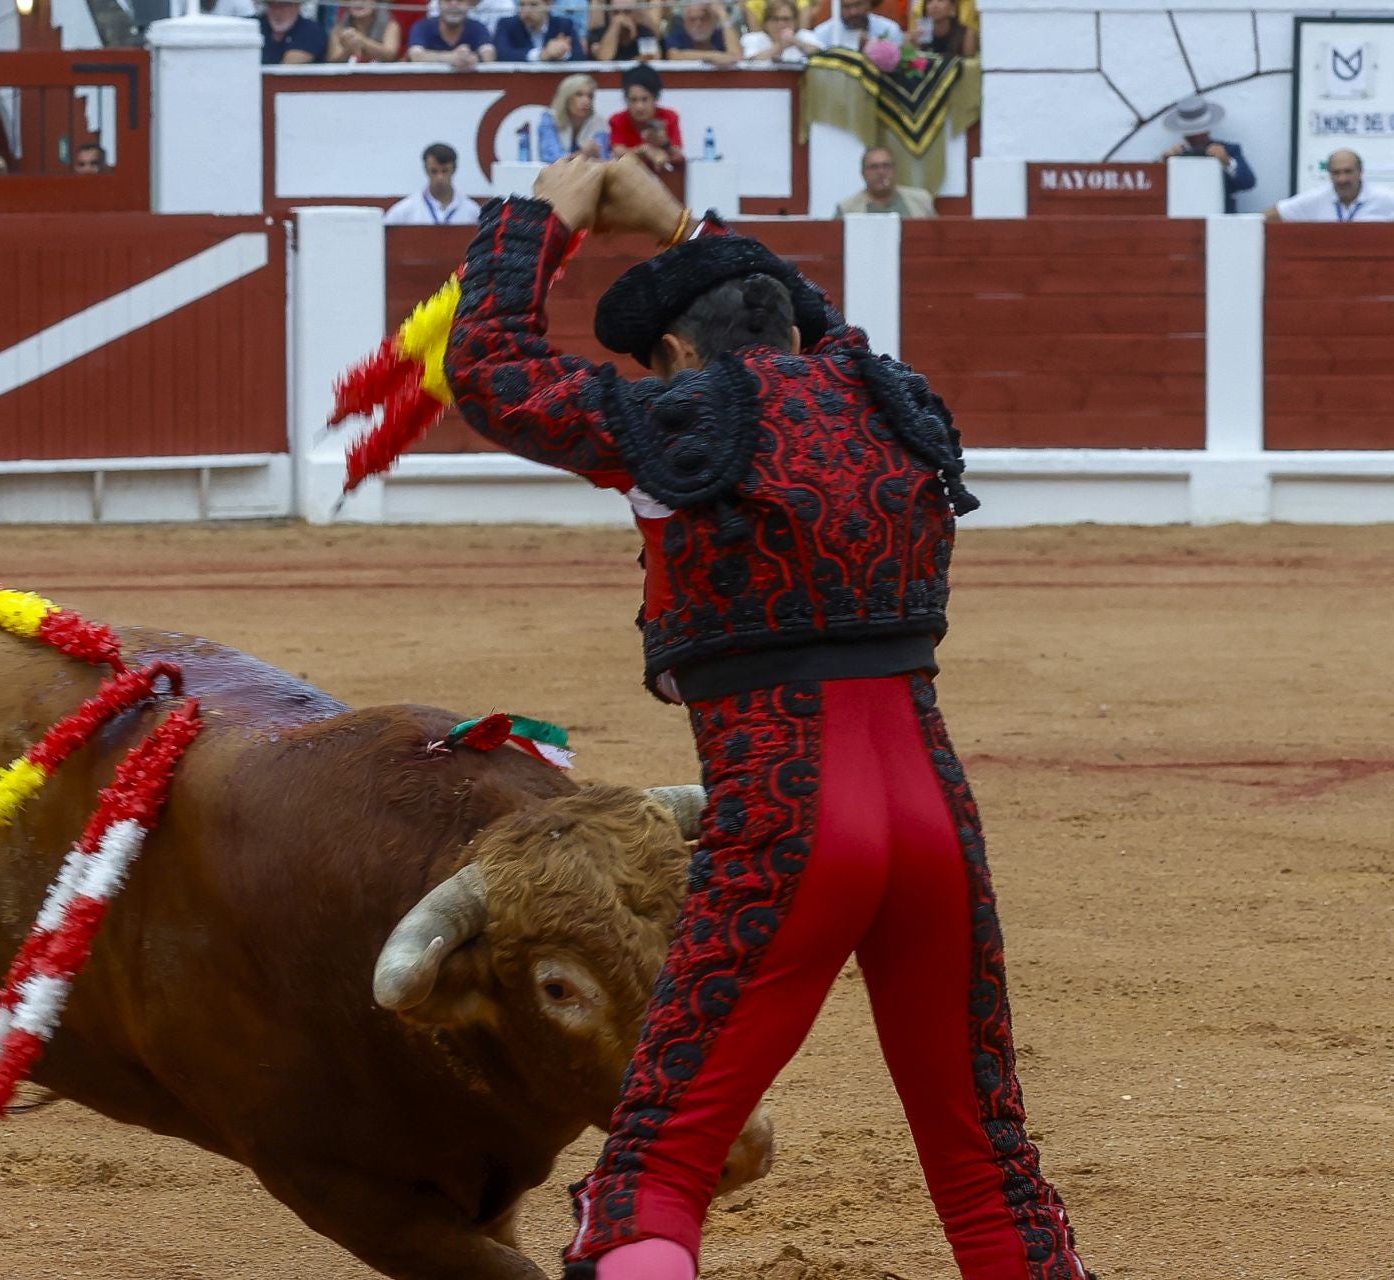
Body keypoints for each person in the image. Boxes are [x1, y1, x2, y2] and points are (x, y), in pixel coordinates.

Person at [436, 151, 1093, 1280]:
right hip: (937, 819)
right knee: (991, 1168)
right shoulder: (892, 401)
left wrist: (538, 219)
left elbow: (488, 366)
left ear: (678, 358)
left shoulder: (681, 423)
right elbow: (813, 325)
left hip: (789, 819)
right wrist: (686, 226)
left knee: (658, 1167)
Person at [1157, 96, 1254, 214]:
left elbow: (1248, 183)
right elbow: (1154, 190)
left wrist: (1227, 162)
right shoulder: (1175, 155)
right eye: (1192, 134)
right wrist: (1162, 165)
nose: (1197, 137)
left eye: (1200, 132)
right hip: (1182, 219)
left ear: (1208, 130)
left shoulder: (1229, 150)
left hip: (1221, 220)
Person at [1265, 148, 1394, 222]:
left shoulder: (1386, 198)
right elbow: (1270, 216)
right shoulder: (1315, 199)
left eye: (1348, 172)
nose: (1342, 179)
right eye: (1336, 173)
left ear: (1360, 172)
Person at [383, 142, 483, 225]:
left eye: (445, 171)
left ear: (454, 170)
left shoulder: (472, 212)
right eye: (434, 171)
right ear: (426, 170)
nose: (439, 177)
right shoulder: (403, 212)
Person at [609, 64, 684, 174]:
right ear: (626, 100)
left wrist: (665, 143)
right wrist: (644, 151)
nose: (639, 107)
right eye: (633, 100)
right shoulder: (618, 120)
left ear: (655, 98)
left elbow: (678, 154)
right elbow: (618, 153)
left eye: (645, 99)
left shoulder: (669, 117)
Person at [836, 146, 938, 217]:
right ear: (863, 173)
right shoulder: (847, 209)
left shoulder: (921, 200)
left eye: (886, 166)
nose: (881, 172)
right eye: (873, 167)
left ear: (894, 170)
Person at [539, 73, 611, 162]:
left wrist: (596, 154)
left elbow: (603, 157)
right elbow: (551, 156)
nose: (586, 101)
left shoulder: (598, 121)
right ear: (566, 97)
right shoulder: (550, 118)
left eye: (590, 96)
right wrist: (583, 155)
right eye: (579, 95)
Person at [408, 0, 498, 66]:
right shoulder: (423, 26)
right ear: (439, 4)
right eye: (447, 1)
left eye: (460, 1)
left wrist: (474, 58)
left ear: (469, 5)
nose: (454, 5)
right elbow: (416, 55)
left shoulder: (478, 27)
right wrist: (450, 57)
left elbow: (489, 54)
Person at [495, 0, 586, 61]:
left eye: (533, 5)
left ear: (548, 5)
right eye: (522, 5)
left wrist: (562, 52)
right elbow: (502, 52)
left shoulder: (564, 25)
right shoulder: (507, 24)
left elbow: (579, 55)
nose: (526, 11)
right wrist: (540, 54)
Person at [741, 0, 821, 62]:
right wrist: (779, 46)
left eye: (786, 19)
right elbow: (749, 62)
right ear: (765, 23)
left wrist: (796, 42)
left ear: (796, 22)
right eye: (775, 19)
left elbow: (822, 56)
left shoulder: (804, 35)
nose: (781, 24)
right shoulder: (753, 38)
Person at [663, 0, 738, 66]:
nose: (698, 23)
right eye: (692, 19)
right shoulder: (677, 36)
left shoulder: (720, 35)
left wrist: (723, 15)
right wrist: (713, 56)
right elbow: (673, 56)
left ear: (713, 21)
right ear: (685, 22)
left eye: (703, 18)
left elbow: (737, 56)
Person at [811, 0, 904, 51]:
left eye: (858, 4)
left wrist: (872, 46)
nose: (853, 12)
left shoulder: (890, 29)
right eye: (847, 7)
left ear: (869, 3)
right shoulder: (822, 34)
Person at [330, 0, 403, 62]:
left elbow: (390, 55)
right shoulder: (338, 29)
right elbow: (332, 62)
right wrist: (349, 51)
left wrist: (362, 41)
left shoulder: (390, 25)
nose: (358, 3)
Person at [588, 0, 662, 61]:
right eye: (616, 12)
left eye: (627, 11)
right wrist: (615, 26)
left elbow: (653, 57)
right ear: (608, 13)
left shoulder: (643, 31)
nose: (621, 16)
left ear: (635, 13)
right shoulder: (598, 33)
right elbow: (603, 57)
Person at [261, 0, 329, 63]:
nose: (277, 11)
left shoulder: (311, 30)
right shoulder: (257, 24)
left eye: (285, 5)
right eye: (272, 5)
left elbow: (288, 67)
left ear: (297, 6)